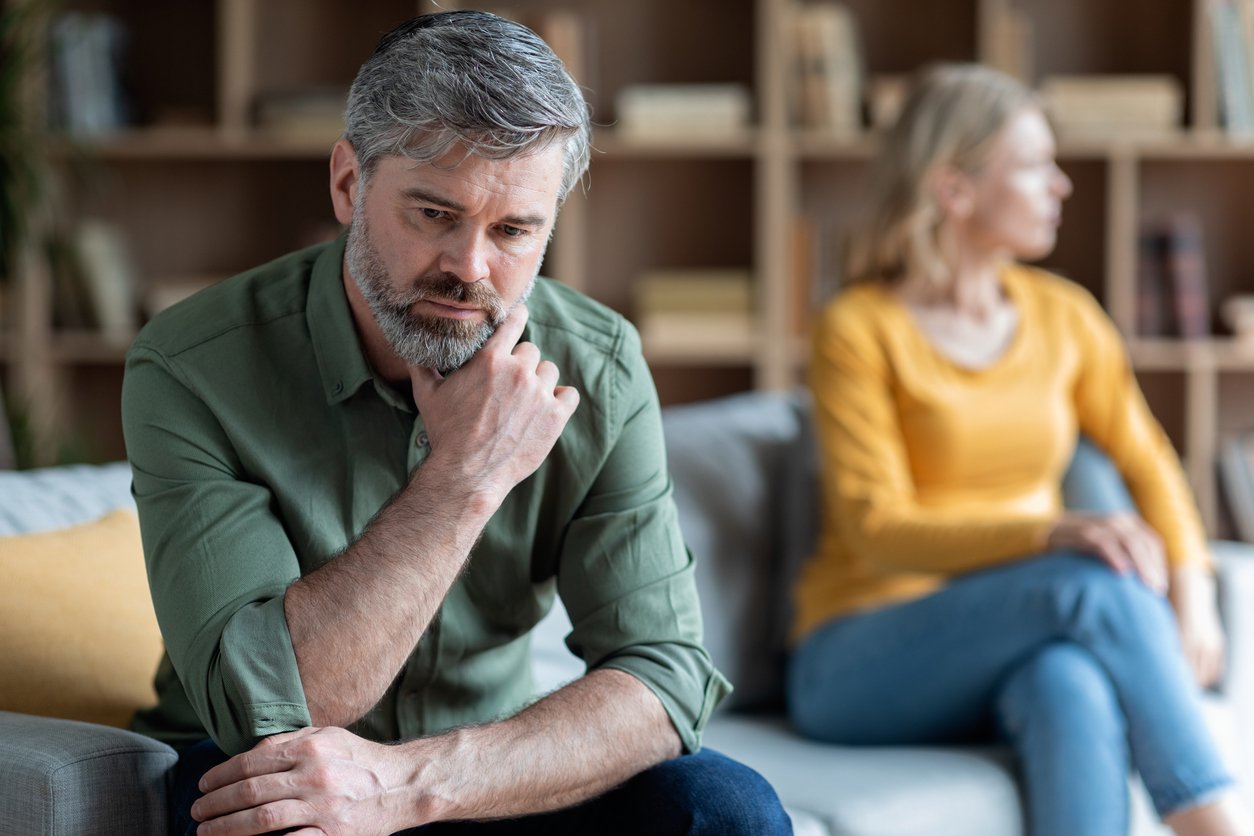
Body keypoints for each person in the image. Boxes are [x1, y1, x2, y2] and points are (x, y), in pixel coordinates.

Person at [121, 11, 791, 836]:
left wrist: (412, 786)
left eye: (513, 231)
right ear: (347, 185)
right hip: (267, 768)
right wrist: (467, 474)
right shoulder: (193, 365)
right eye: (434, 215)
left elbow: (665, 676)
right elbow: (276, 704)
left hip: (482, 777)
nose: (469, 270)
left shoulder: (600, 366)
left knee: (724, 810)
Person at [786, 63, 1252, 836]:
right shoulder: (858, 329)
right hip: (859, 654)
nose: (1061, 185)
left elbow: (1148, 461)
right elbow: (877, 525)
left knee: (1067, 682)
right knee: (1085, 582)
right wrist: (1051, 533)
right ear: (955, 191)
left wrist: (1194, 589)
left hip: (1014, 640)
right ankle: (1216, 821)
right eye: (1035, 166)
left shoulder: (1065, 317)